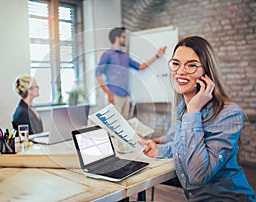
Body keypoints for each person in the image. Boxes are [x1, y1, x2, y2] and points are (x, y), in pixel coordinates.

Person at [140, 36, 256, 201]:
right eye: (176, 63)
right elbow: (181, 146)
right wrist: (158, 150)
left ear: (206, 73)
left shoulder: (229, 114)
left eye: (192, 65)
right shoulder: (182, 109)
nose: (180, 71)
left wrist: (193, 111)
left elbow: (198, 175)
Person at [96, 27, 166, 119]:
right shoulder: (107, 54)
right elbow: (98, 74)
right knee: (113, 124)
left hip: (126, 95)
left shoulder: (125, 56)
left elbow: (140, 67)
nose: (125, 39)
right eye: (123, 37)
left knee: (125, 124)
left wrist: (157, 56)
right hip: (114, 95)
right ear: (117, 38)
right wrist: (108, 93)